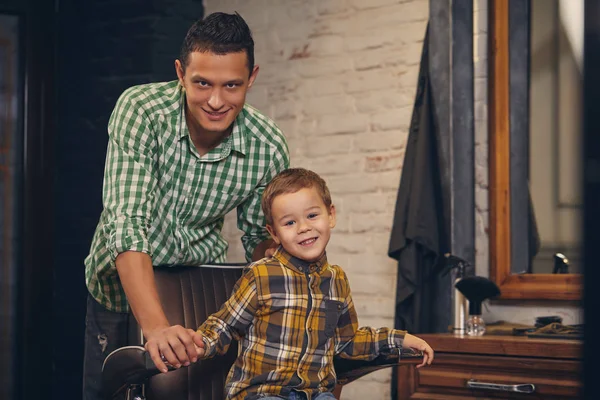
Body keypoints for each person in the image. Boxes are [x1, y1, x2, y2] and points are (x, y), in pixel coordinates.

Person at [82, 12, 290, 400]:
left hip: (197, 290)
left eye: (232, 85)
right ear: (180, 73)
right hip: (119, 288)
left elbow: (261, 243)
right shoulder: (141, 110)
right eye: (202, 83)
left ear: (252, 78)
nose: (216, 100)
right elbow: (126, 223)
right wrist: (157, 329)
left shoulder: (268, 146)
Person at [191, 168, 434, 400]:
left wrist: (400, 339)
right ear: (274, 233)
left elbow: (347, 341)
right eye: (289, 223)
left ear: (331, 215)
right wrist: (198, 344)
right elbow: (225, 325)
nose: (304, 228)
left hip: (316, 393)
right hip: (262, 392)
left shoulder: (336, 280)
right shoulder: (261, 274)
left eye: (312, 215)